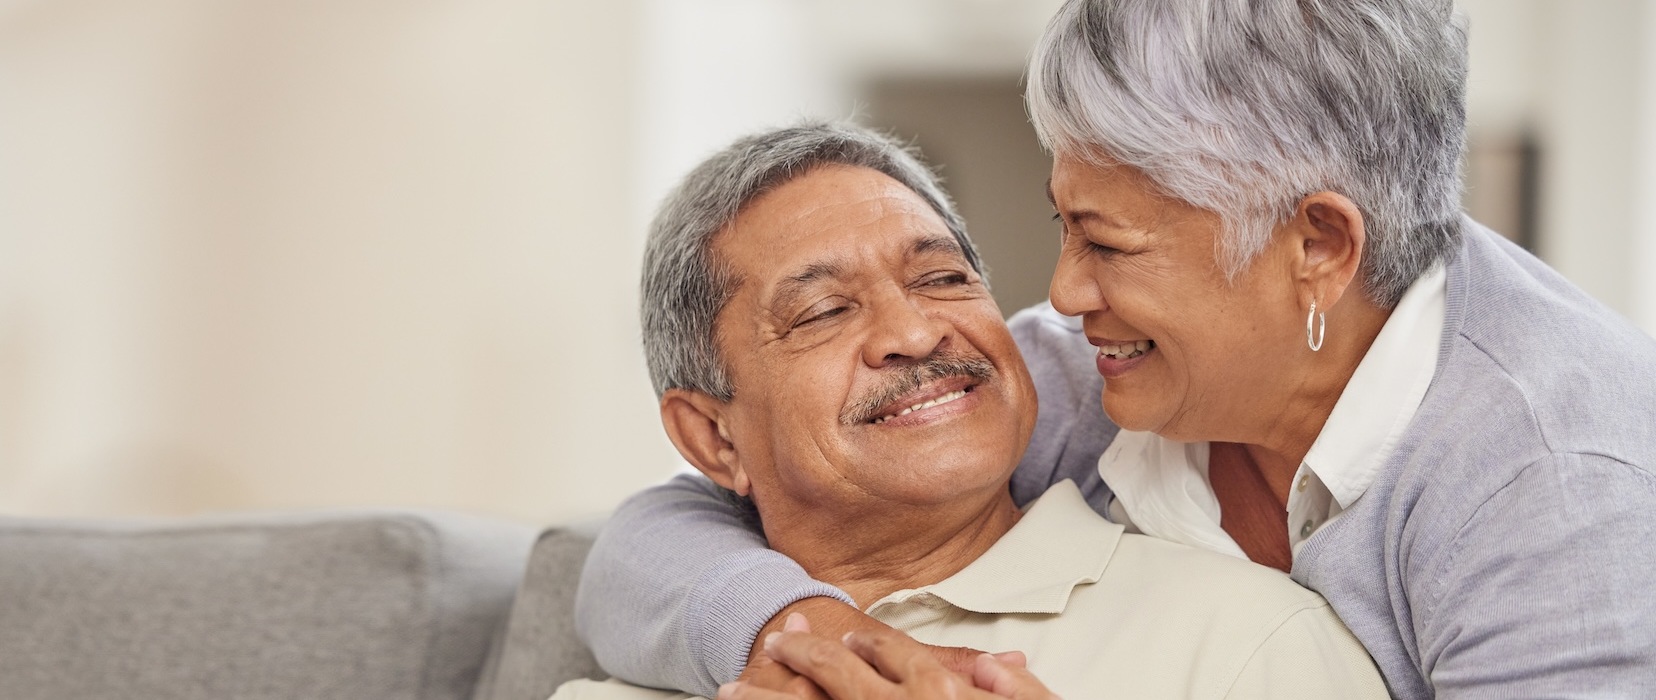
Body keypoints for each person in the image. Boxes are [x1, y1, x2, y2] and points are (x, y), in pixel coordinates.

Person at [576, 1, 1656, 699]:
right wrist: (792, 623)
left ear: (1318, 243)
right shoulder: (1082, 381)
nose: (1059, 294)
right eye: (1062, 225)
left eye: (1107, 242)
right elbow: (668, 522)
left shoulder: (1560, 486)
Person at [558, 122, 1385, 700]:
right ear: (712, 437)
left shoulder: (1248, 642)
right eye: (823, 312)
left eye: (942, 278)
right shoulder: (627, 684)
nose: (916, 332)